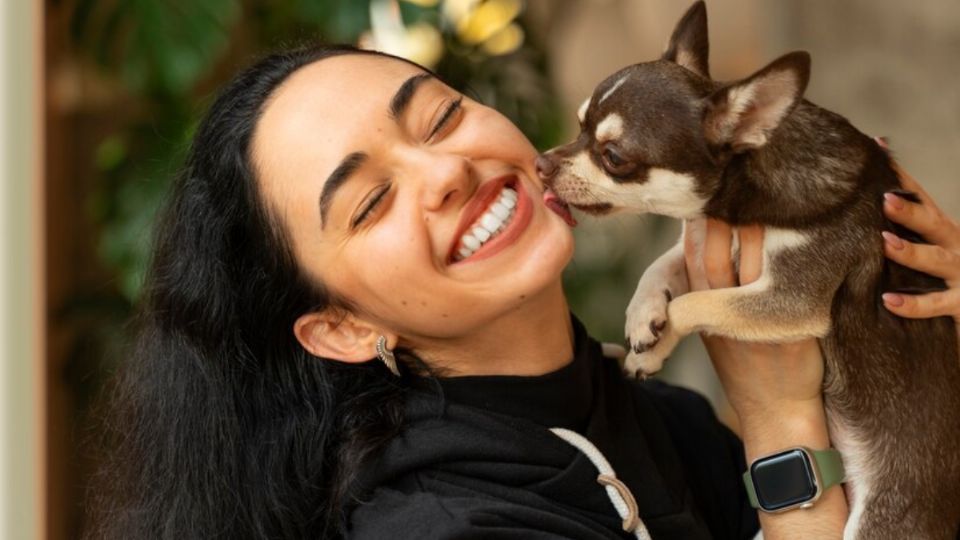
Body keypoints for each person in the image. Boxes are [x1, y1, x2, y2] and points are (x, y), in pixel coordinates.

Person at [86, 45, 960, 540]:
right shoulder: (444, 531)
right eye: (373, 200)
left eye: (438, 115)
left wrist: (916, 348)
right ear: (343, 329)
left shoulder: (644, 416)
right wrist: (777, 424)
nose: (448, 170)